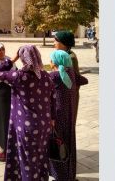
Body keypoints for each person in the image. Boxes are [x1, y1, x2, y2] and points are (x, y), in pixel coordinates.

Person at [0, 45, 55, 181]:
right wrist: (52, 119)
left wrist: (12, 59)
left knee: (27, 162)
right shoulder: (46, 76)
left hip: (26, 128)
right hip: (44, 126)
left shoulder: (19, 77)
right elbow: (53, 99)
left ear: (23, 58)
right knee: (40, 159)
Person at [48, 50, 77, 181]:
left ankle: (60, 176)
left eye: (51, 59)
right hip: (69, 113)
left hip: (57, 114)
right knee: (68, 142)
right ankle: (69, 174)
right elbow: (85, 80)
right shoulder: (70, 72)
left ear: (55, 61)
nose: (49, 62)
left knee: (58, 144)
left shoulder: (54, 76)